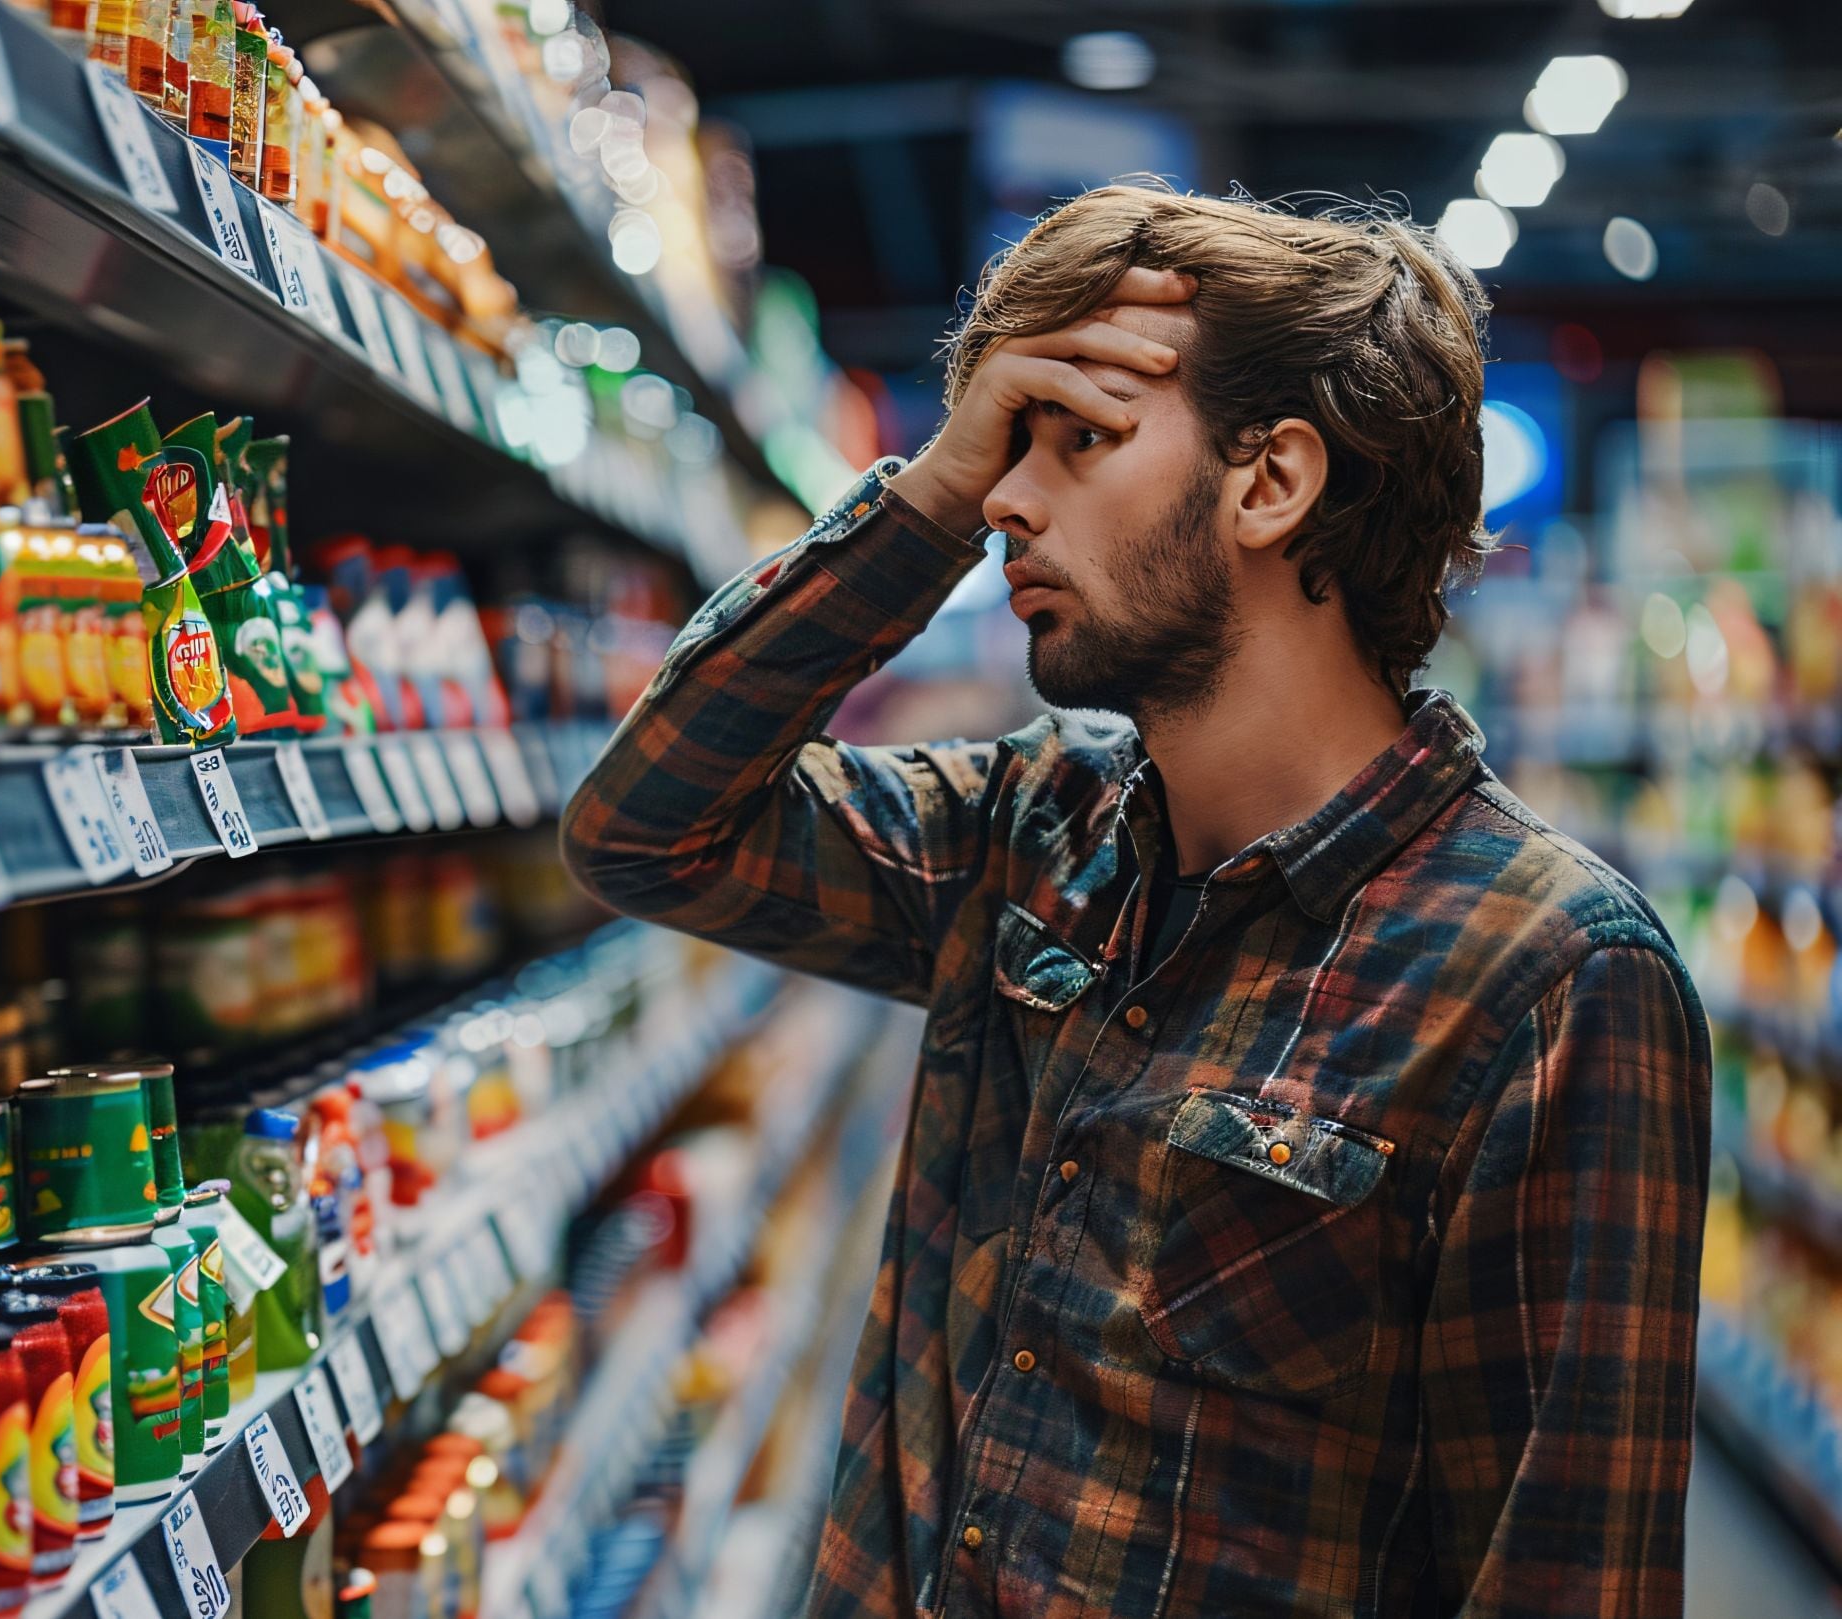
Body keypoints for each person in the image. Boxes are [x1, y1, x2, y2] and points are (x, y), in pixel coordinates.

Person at [560, 186, 1710, 1618]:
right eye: (1000, 446)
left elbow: (1564, 1580)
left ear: (1271, 483)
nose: (1003, 499)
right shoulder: (1026, 833)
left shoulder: (1547, 980)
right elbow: (648, 829)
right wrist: (915, 506)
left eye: (1079, 438)